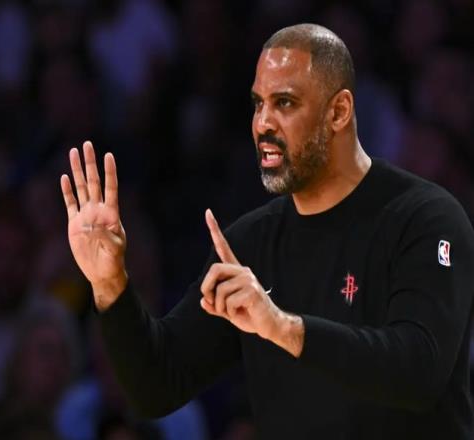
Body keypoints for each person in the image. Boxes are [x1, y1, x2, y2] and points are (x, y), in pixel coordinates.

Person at [60, 24, 474, 439]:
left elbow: (420, 371)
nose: (262, 123)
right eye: (258, 104)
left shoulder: (425, 218)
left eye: (285, 103)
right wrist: (110, 284)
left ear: (339, 112)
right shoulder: (248, 244)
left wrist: (282, 327)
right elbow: (158, 387)